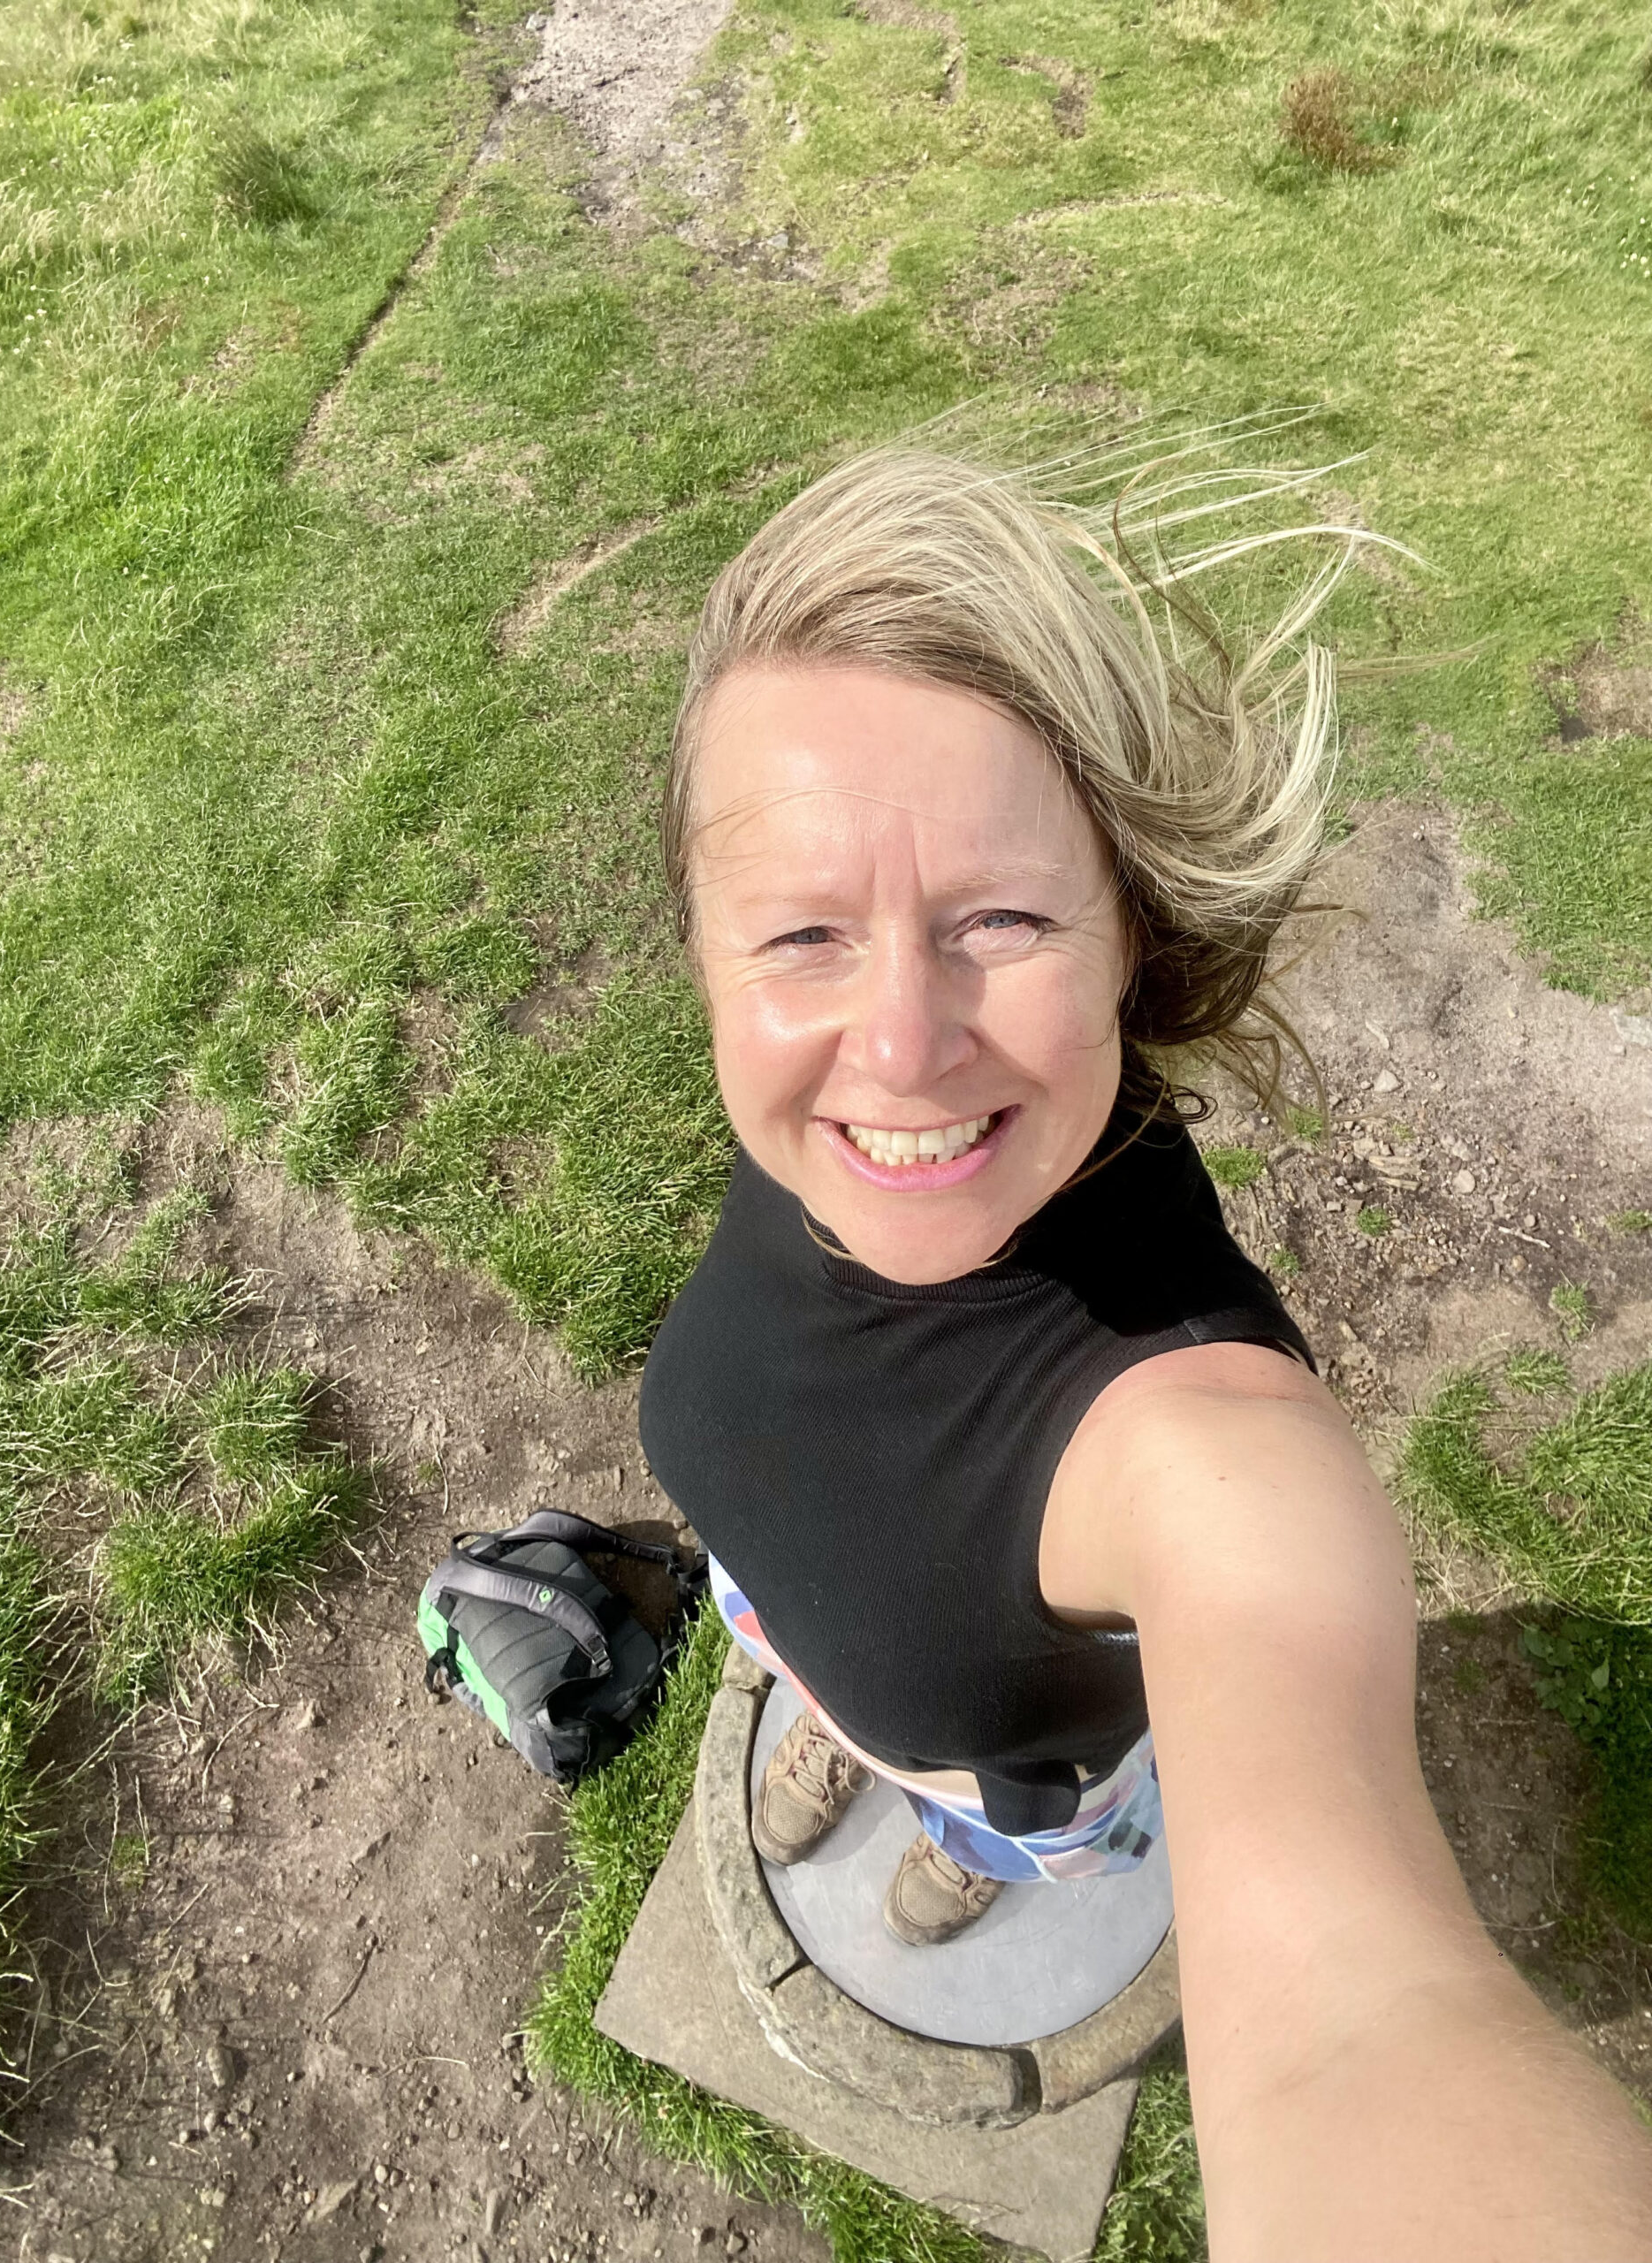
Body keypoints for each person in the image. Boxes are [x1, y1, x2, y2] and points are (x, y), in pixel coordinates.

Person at [636, 446, 1652, 2257]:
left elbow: (1366, 2026)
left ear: (1128, 932)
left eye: (999, 921)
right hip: (782, 1609)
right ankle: (836, 1726)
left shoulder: (1203, 1445)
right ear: (709, 954)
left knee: (993, 1820)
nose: (902, 1040)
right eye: (803, 932)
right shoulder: (814, 1112)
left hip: (1020, 1778)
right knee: (825, 1671)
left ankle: (959, 1846)